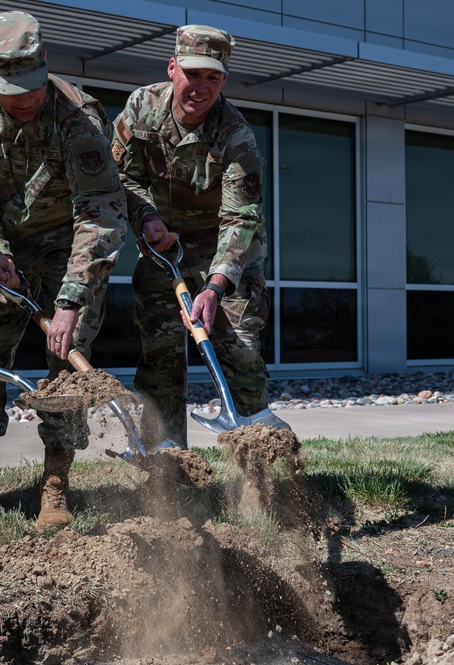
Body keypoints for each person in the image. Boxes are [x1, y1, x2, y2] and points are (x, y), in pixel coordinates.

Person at [0, 10, 127, 529]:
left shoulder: (79, 117)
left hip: (73, 253)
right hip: (3, 255)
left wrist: (70, 300)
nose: (25, 99)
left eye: (32, 85)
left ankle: (55, 483)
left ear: (45, 61)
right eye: (10, 90)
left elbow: (103, 213)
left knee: (67, 368)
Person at [111, 25, 270, 449]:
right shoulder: (140, 109)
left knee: (239, 348)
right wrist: (145, 217)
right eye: (192, 73)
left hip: (227, 250)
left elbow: (241, 217)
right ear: (172, 68)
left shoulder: (237, 136)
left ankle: (259, 457)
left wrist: (216, 286)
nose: (201, 87)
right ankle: (166, 462)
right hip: (165, 247)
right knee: (160, 352)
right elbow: (122, 177)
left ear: (223, 80)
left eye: (213, 78)